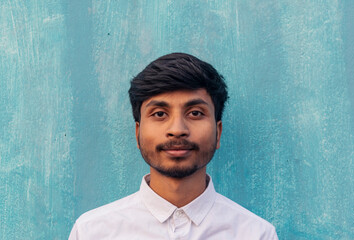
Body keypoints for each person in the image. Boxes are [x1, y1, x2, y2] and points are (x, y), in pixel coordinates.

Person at [69, 53, 278, 239]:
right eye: (159, 114)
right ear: (137, 133)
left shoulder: (256, 233)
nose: (177, 129)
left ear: (218, 132)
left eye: (195, 113)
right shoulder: (91, 232)